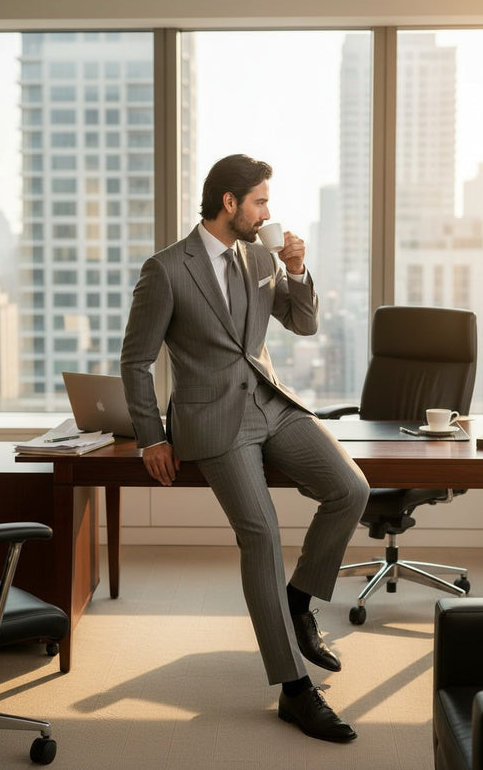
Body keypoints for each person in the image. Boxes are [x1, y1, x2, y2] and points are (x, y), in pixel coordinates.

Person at [120, 154, 369, 742]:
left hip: (271, 403)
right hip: (214, 421)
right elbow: (135, 361)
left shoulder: (262, 256)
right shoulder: (166, 270)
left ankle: (299, 601)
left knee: (350, 488)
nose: (267, 212)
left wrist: (300, 270)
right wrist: (153, 435)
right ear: (228, 203)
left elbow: (302, 325)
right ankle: (293, 689)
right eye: (259, 201)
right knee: (260, 533)